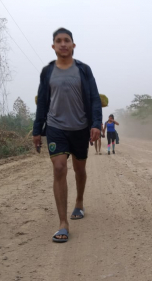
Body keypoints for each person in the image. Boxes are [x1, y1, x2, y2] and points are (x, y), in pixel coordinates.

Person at [32, 28, 102, 243]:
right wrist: (37, 130)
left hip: (80, 127)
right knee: (59, 167)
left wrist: (96, 124)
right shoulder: (47, 72)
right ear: (53, 46)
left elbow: (94, 99)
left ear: (73, 45)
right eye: (58, 41)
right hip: (55, 127)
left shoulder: (83, 70)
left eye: (67, 40)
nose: (63, 44)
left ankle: (79, 202)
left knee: (80, 169)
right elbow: (43, 101)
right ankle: (63, 223)